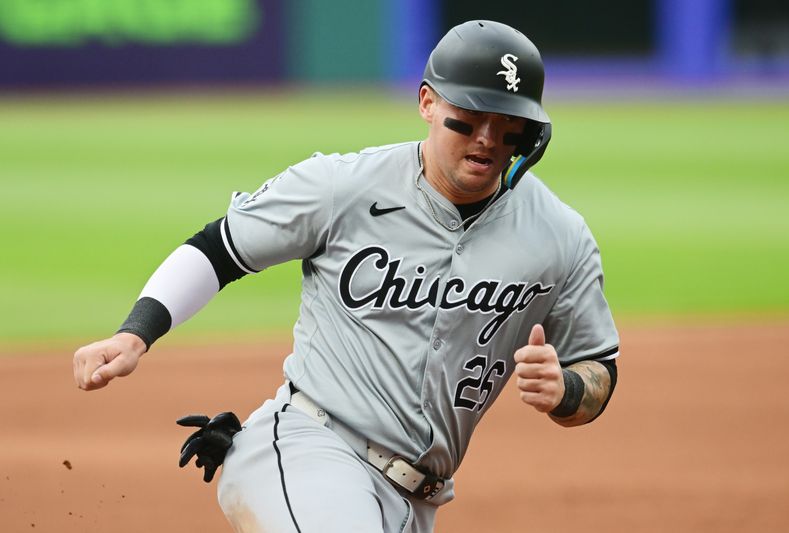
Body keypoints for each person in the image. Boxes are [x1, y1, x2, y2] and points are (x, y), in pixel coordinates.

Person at [73, 20, 619, 533]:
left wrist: (565, 389)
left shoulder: (559, 236)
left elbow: (597, 369)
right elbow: (220, 248)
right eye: (468, 119)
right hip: (311, 447)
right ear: (427, 102)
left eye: (506, 127)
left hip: (415, 501)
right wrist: (135, 332)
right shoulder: (343, 186)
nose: (486, 140)